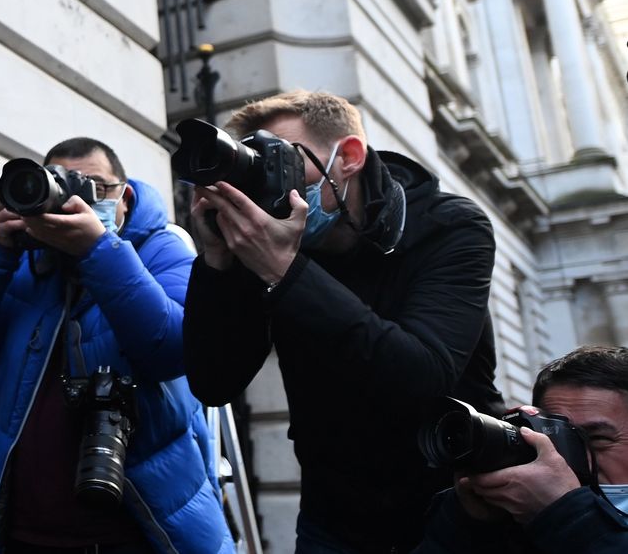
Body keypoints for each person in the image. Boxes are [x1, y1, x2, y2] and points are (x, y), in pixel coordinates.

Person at [182, 90, 504, 553]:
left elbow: (421, 375)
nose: (274, 183)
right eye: (261, 163)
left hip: (454, 502)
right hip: (334, 513)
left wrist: (285, 270)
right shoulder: (269, 242)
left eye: (285, 161)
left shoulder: (449, 226)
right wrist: (218, 260)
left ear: (348, 157)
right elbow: (214, 382)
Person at [0, 137, 235, 554]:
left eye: (96, 187)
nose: (80, 198)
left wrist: (98, 250)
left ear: (125, 197)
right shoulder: (23, 261)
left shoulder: (162, 249)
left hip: (136, 532)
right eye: (64, 184)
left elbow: (174, 349)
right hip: (21, 532)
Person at [415, 345, 628, 553]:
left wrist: (567, 514)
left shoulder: (562, 516)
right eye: (560, 438)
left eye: (598, 438)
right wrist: (468, 526)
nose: (571, 462)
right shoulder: (515, 520)